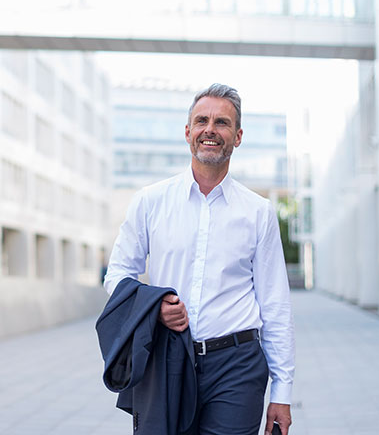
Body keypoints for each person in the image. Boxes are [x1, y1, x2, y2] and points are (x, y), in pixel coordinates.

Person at [104, 83, 295, 435]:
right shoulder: (150, 202)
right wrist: (154, 307)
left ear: (237, 137)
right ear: (188, 132)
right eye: (202, 120)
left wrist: (282, 393)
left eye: (222, 123)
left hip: (237, 365)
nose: (211, 129)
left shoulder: (258, 212)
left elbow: (275, 304)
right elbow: (117, 274)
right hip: (167, 360)